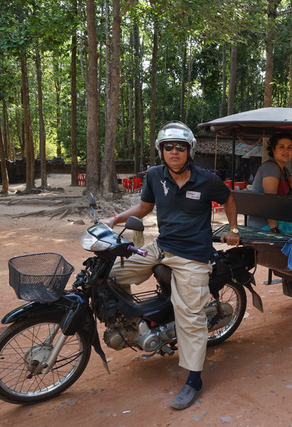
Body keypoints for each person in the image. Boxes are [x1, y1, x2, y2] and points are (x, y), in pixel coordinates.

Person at [99, 121, 241, 410]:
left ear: (189, 151)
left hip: (193, 256)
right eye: (168, 147)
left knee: (190, 316)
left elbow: (229, 199)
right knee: (111, 273)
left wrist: (234, 229)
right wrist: (113, 220)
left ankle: (194, 379)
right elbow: (143, 208)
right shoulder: (154, 176)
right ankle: (139, 324)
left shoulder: (206, 179)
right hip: (161, 247)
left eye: (180, 147)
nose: (174, 151)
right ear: (160, 150)